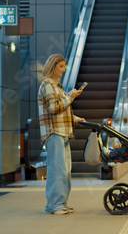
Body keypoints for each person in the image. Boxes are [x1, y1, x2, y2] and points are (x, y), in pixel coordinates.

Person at [38, 54, 85, 215]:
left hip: (63, 131)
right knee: (57, 170)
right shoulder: (47, 85)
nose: (63, 70)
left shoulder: (57, 86)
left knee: (65, 170)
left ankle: (61, 202)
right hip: (54, 132)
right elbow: (53, 108)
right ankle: (54, 205)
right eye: (61, 66)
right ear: (52, 67)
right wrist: (70, 96)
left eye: (64, 66)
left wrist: (76, 119)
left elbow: (61, 111)